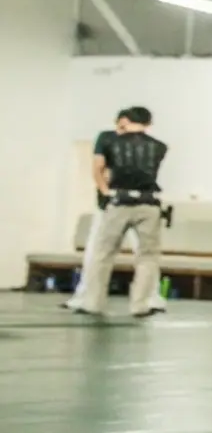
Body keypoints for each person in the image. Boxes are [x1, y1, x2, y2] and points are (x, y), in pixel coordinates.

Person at [71, 107, 169, 319]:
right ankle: (140, 305)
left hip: (119, 200)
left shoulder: (111, 142)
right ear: (148, 124)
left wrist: (105, 192)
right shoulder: (160, 146)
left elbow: (99, 169)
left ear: (125, 122)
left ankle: (93, 303)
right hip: (149, 203)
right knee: (148, 257)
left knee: (103, 253)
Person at [65, 115, 129, 311]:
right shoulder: (107, 138)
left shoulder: (139, 145)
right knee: (94, 250)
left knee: (144, 252)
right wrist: (106, 193)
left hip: (134, 205)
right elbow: (98, 169)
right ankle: (83, 294)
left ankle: (152, 299)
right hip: (108, 204)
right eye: (122, 126)